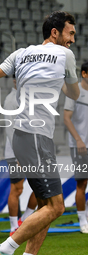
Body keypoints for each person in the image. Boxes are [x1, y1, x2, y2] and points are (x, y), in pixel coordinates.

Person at [0, 11, 80, 255]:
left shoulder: (20, 53)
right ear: (55, 32)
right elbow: (75, 94)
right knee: (56, 208)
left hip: (21, 137)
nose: (73, 39)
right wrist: (62, 81)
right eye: (71, 33)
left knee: (44, 205)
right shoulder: (65, 54)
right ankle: (6, 248)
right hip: (36, 137)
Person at [3, 77, 37, 236]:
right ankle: (13, 227)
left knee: (40, 186)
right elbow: (10, 130)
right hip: (15, 152)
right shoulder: (11, 100)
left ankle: (24, 219)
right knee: (16, 189)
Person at [63, 61, 88, 234]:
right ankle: (82, 220)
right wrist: (79, 140)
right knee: (82, 183)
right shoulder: (75, 93)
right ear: (84, 74)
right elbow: (66, 118)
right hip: (80, 146)